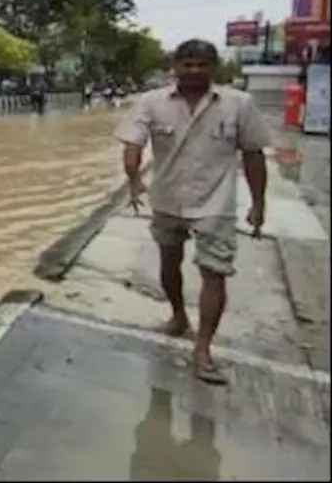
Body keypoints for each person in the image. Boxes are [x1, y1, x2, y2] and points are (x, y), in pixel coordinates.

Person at [113, 39, 270, 385]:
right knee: (169, 264)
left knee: (215, 272)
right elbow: (133, 144)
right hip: (167, 199)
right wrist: (134, 178)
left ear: (214, 68)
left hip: (216, 205)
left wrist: (259, 204)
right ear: (175, 66)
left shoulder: (239, 104)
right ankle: (179, 315)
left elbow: (254, 155)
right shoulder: (152, 102)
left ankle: (203, 348)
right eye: (187, 64)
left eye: (202, 64)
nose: (194, 71)